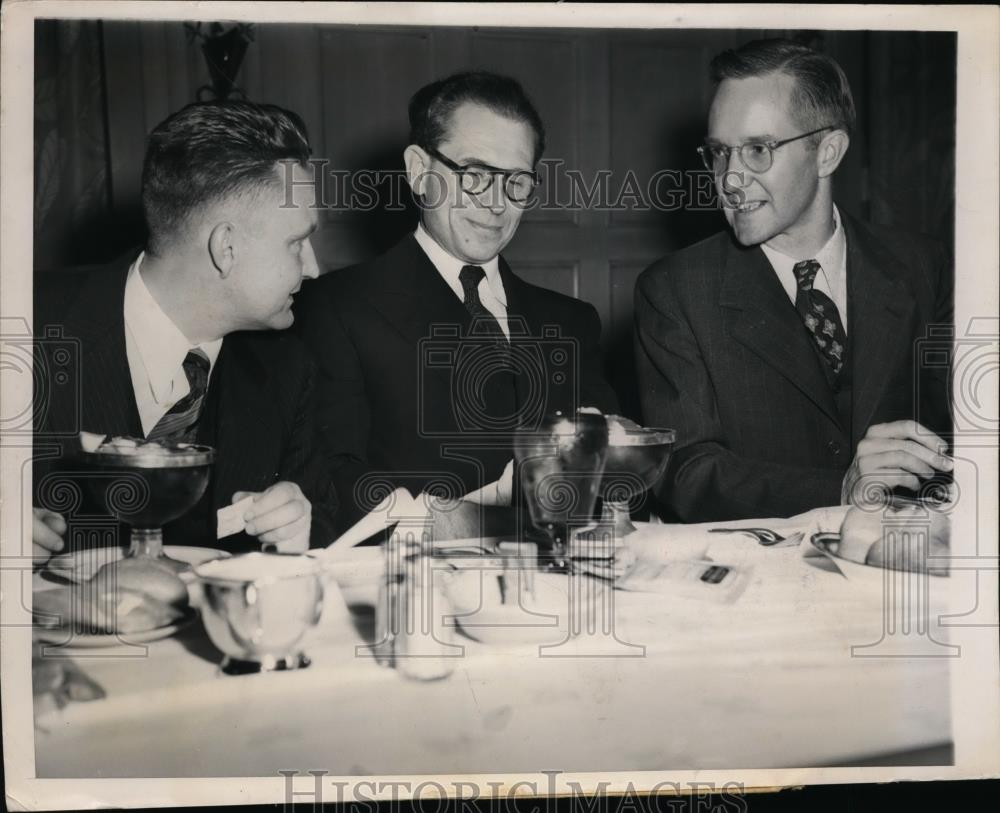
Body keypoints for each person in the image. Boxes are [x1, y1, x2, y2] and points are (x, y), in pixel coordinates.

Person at [635, 39, 953, 523]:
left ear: (827, 152)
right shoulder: (675, 290)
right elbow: (685, 471)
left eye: (758, 150)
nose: (730, 180)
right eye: (719, 153)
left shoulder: (924, 265)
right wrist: (841, 488)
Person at [295, 71, 618, 531]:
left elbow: (613, 480)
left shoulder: (573, 321)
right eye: (476, 175)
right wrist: (470, 519)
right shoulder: (335, 307)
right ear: (418, 171)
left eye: (517, 182)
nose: (496, 204)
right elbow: (331, 480)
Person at [32, 100, 337, 564]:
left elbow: (321, 534)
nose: (315, 269)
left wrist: (296, 536)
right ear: (226, 247)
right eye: (297, 242)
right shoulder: (25, 323)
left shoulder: (289, 372)